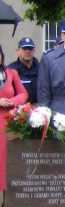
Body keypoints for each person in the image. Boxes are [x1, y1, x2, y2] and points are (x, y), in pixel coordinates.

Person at [0, 44, 29, 192]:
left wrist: (13, 101)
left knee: (6, 162)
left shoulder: (11, 73)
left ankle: (6, 198)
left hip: (8, 123)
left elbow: (23, 93)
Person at [9, 37, 40, 105]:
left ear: (34, 51)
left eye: (30, 49)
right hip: (18, 110)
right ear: (18, 51)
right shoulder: (10, 70)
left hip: (39, 109)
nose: (27, 51)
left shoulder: (42, 69)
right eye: (24, 49)